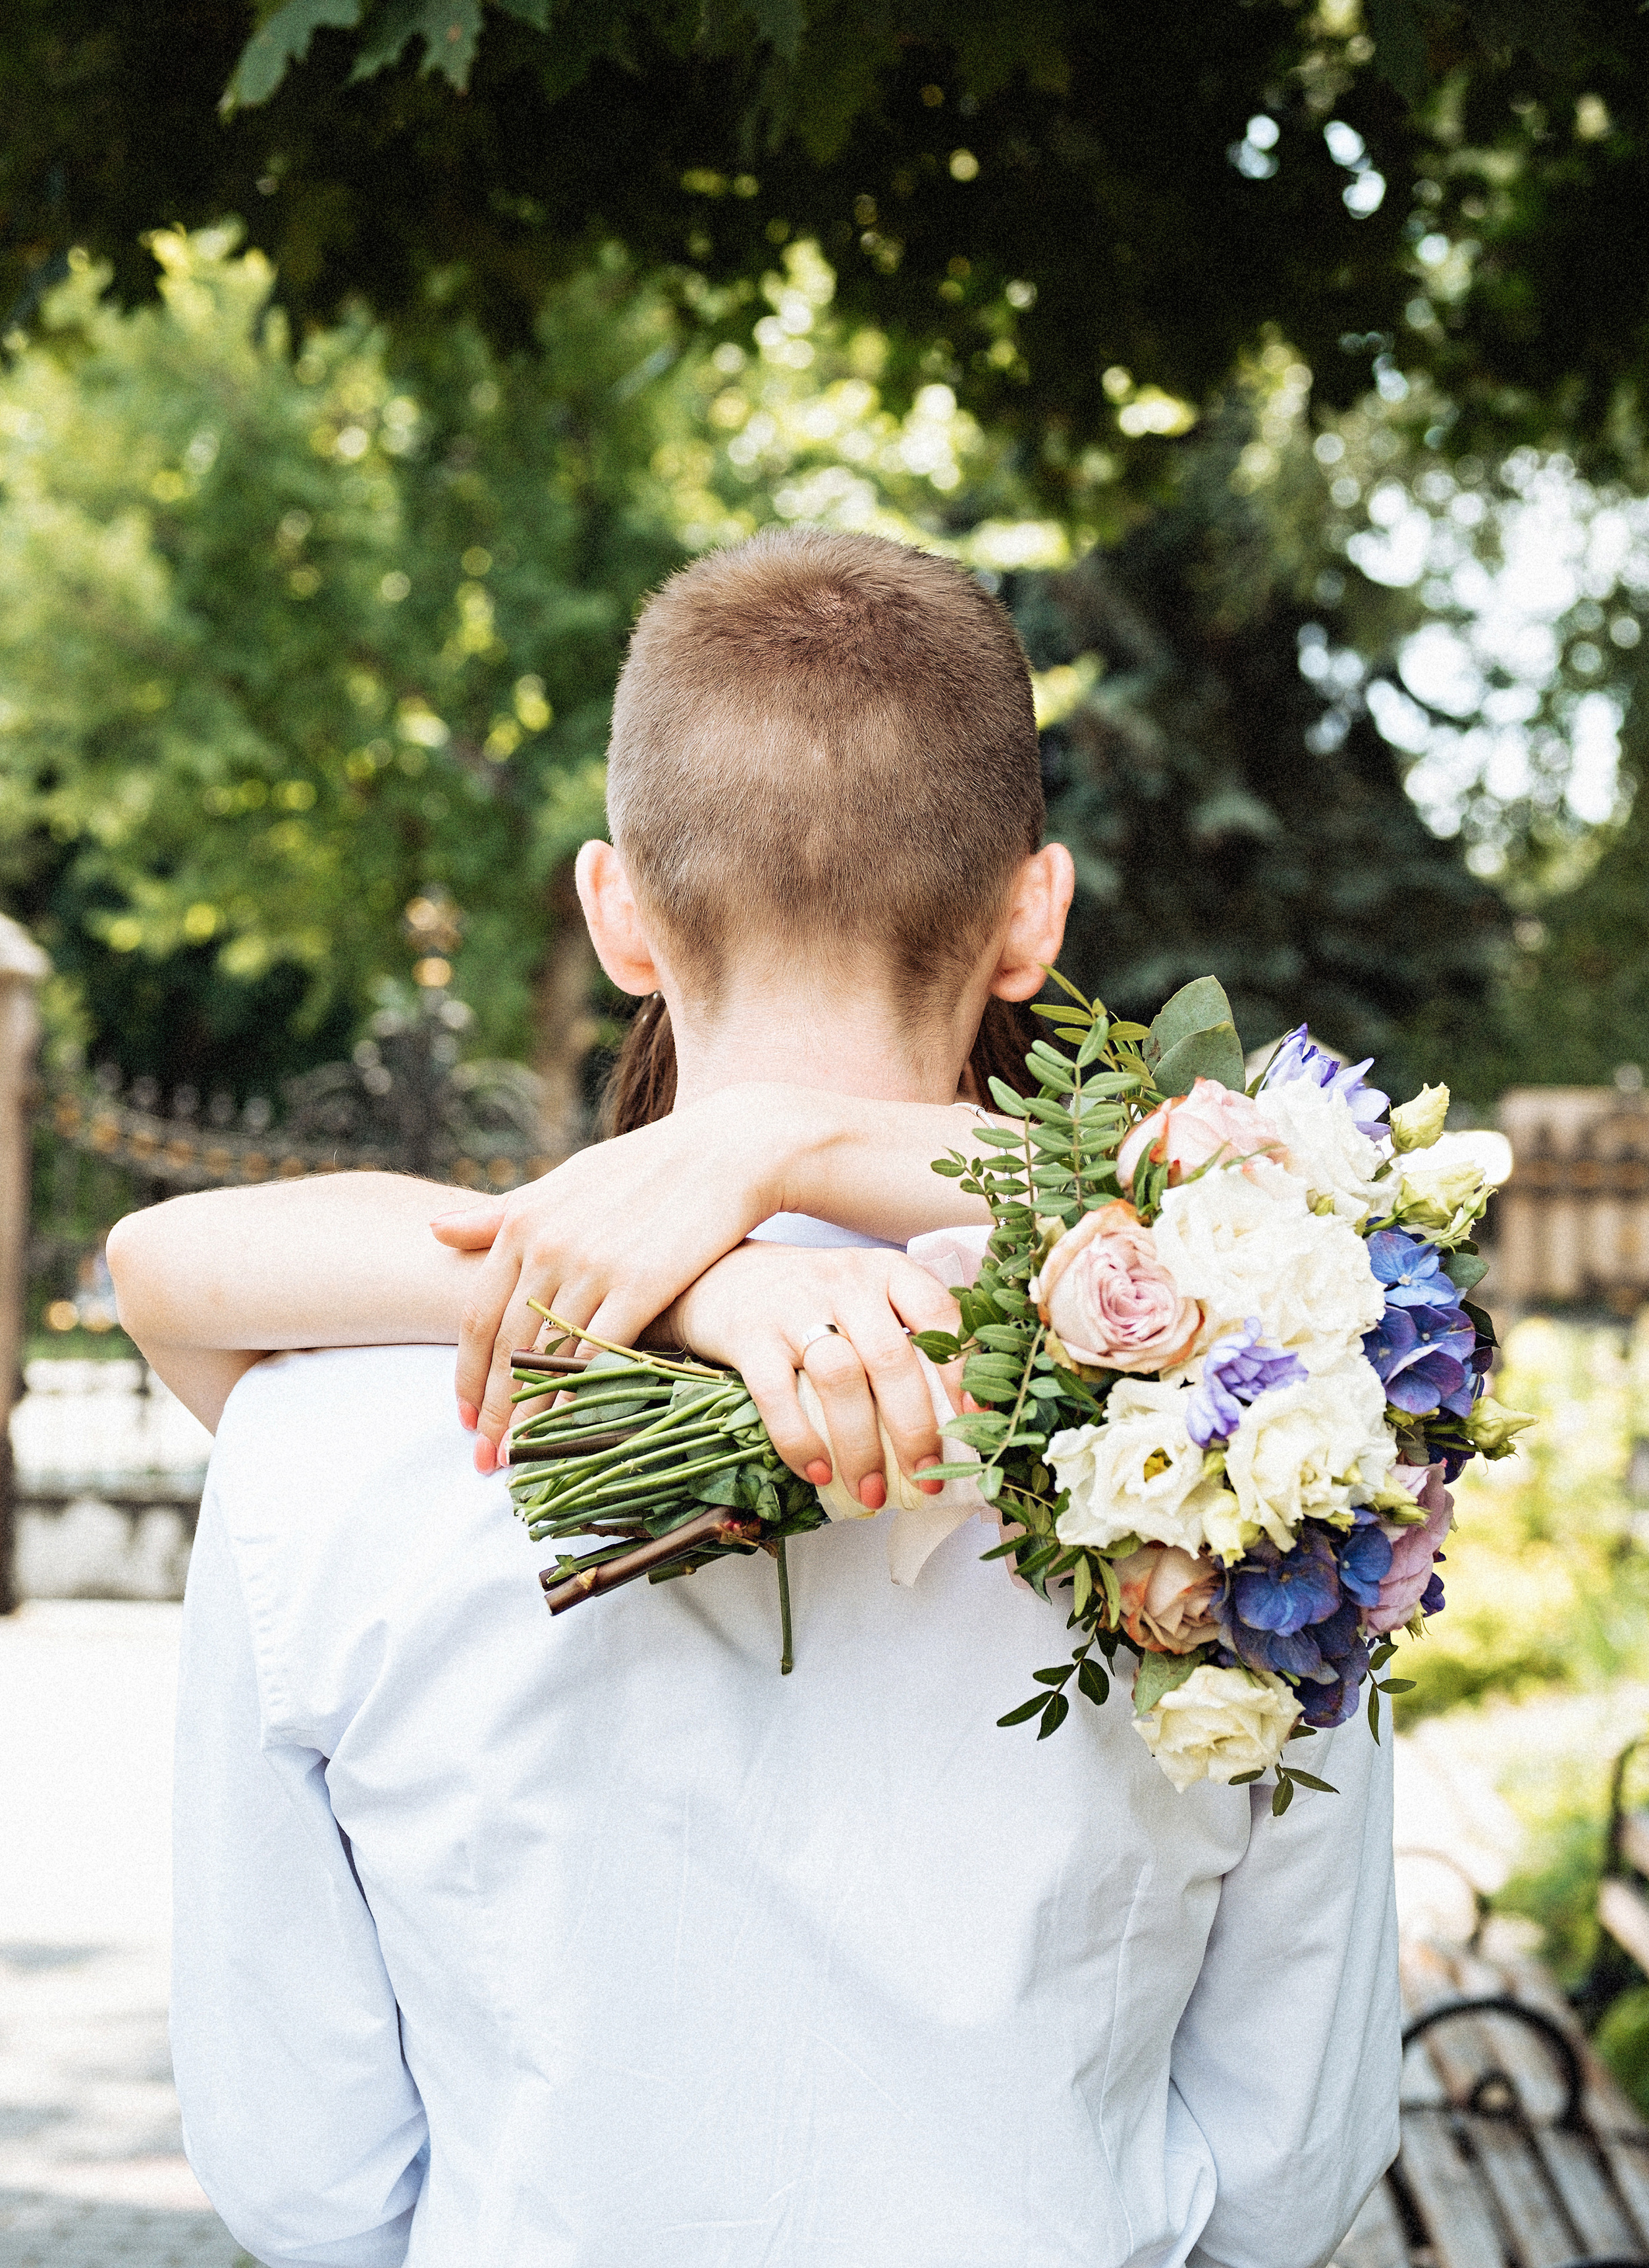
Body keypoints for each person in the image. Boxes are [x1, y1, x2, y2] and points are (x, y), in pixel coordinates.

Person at [112, 528, 1400, 2268]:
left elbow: (307, 2176)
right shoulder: (1240, 1417)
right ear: (1036, 913)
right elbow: (1289, 2168)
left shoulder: (325, 1435)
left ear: (614, 912)